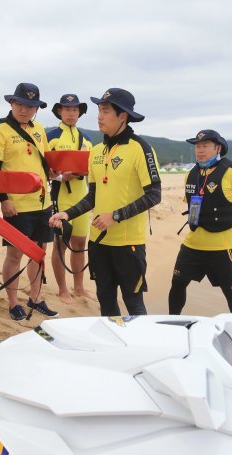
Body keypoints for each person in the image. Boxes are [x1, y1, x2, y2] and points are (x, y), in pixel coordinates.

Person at [49, 88, 161, 317]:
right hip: (100, 242)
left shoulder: (141, 148)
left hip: (129, 244)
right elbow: (93, 196)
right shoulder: (97, 151)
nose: (100, 116)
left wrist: (116, 215)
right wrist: (67, 214)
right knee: (106, 301)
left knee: (134, 304)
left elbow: (154, 194)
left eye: (106, 111)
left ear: (123, 116)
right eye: (99, 110)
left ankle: (140, 350)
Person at [0, 83, 58, 321]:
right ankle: (13, 302)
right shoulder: (0, 130)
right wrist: (4, 200)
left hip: (42, 203)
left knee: (39, 254)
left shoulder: (39, 128)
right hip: (16, 206)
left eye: (30, 106)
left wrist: (52, 171)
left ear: (36, 108)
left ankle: (35, 298)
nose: (25, 110)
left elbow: (45, 159)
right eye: (20, 105)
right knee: (14, 256)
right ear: (11, 103)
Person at [168, 130, 232, 315]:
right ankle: (173, 322)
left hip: (223, 247)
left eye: (205, 146)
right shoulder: (191, 174)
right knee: (177, 283)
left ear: (218, 148)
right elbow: (193, 206)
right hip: (192, 245)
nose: (200, 150)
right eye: (197, 146)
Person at [46, 94, 94, 304]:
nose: (71, 113)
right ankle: (62, 289)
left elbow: (91, 169)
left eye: (75, 110)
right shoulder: (51, 136)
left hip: (82, 196)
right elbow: (43, 169)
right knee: (61, 244)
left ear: (80, 113)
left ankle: (79, 287)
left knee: (80, 243)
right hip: (60, 195)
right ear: (59, 111)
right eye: (67, 109)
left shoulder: (88, 140)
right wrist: (60, 176)